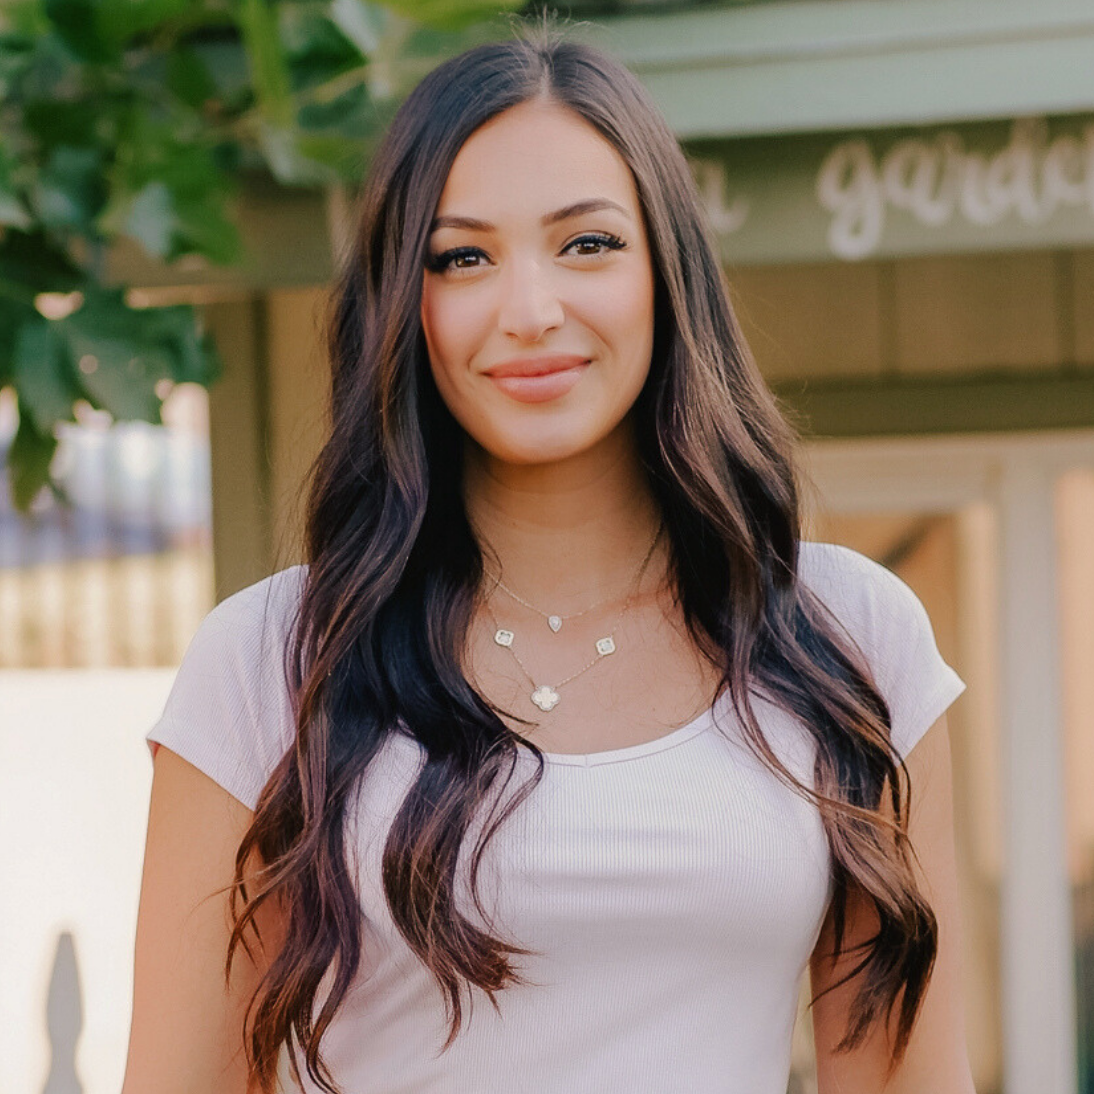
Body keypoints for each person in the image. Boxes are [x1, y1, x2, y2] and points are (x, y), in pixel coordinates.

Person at [123, 18, 976, 1094]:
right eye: (462, 256)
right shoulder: (270, 657)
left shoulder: (848, 638)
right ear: (406, 303)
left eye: (587, 244)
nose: (529, 311)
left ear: (667, 275)